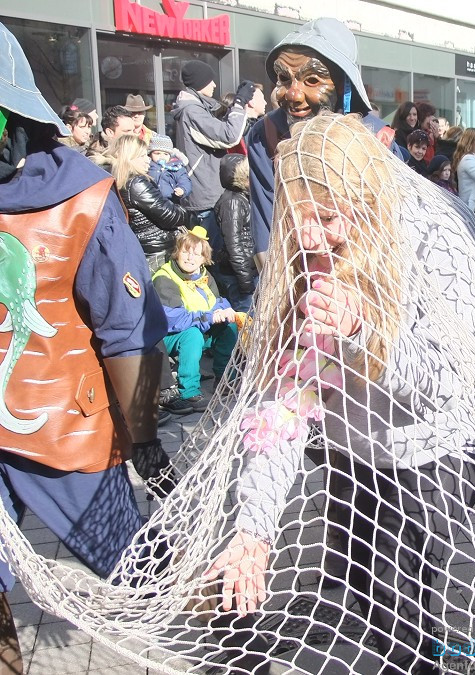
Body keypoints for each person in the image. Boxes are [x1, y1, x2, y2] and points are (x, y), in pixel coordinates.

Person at [204, 112, 475, 675]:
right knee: (367, 589)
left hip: (433, 452)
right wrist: (253, 529)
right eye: (295, 219)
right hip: (354, 451)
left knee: (399, 602)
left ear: (366, 199)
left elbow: (445, 382)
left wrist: (361, 338)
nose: (306, 238)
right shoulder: (305, 255)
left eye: (325, 218)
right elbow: (286, 401)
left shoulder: (434, 239)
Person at [0, 21, 172, 671]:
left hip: (65, 431)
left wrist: (146, 439)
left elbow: (129, 328)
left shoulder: (80, 192)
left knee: (140, 570)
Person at [246, 17, 400, 261]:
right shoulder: (265, 136)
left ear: (343, 85)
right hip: (294, 276)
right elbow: (266, 234)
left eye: (312, 81)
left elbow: (393, 231)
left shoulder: (377, 140)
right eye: (285, 79)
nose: (294, 94)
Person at [152, 226, 238, 412]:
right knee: (192, 335)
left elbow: (217, 301)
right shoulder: (164, 278)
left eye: (197, 255)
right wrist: (208, 317)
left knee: (229, 327)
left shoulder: (204, 276)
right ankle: (189, 391)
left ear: (204, 259)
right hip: (167, 337)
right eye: (186, 252)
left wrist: (225, 311)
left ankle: (225, 380)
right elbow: (173, 319)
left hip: (200, 326)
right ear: (177, 252)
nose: (191, 258)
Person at [172, 59, 253, 256]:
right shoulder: (192, 111)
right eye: (211, 81)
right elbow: (228, 136)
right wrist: (240, 104)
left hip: (206, 193)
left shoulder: (196, 109)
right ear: (200, 83)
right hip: (205, 197)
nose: (215, 85)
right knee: (212, 256)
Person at [112, 134, 199, 273]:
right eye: (142, 156)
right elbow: (172, 216)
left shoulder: (125, 181)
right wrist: (182, 210)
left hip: (148, 246)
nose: (148, 160)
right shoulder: (136, 183)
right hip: (156, 250)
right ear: (130, 158)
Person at [214, 154, 257, 313]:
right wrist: (245, 281)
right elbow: (233, 244)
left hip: (248, 271)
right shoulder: (232, 202)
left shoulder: (244, 198)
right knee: (245, 319)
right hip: (239, 276)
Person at [147, 134, 192, 205]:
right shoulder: (147, 165)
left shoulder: (176, 167)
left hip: (171, 201)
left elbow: (185, 181)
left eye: (166, 154)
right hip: (151, 201)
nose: (162, 157)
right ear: (150, 154)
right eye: (157, 153)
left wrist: (182, 189)